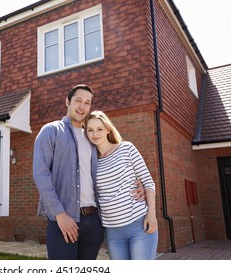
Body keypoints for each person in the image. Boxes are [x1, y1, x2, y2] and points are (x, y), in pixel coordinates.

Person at [33, 84, 145, 260]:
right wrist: (59, 215)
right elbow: (41, 174)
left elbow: (112, 167)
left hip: (94, 222)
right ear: (67, 102)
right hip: (64, 219)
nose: (82, 106)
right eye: (78, 101)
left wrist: (139, 185)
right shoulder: (51, 131)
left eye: (87, 102)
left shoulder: (92, 136)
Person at [84, 110, 158, 260]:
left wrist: (152, 214)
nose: (95, 134)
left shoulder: (126, 148)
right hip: (112, 232)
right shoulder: (91, 161)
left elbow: (148, 182)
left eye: (99, 129)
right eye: (90, 130)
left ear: (108, 129)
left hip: (139, 225)